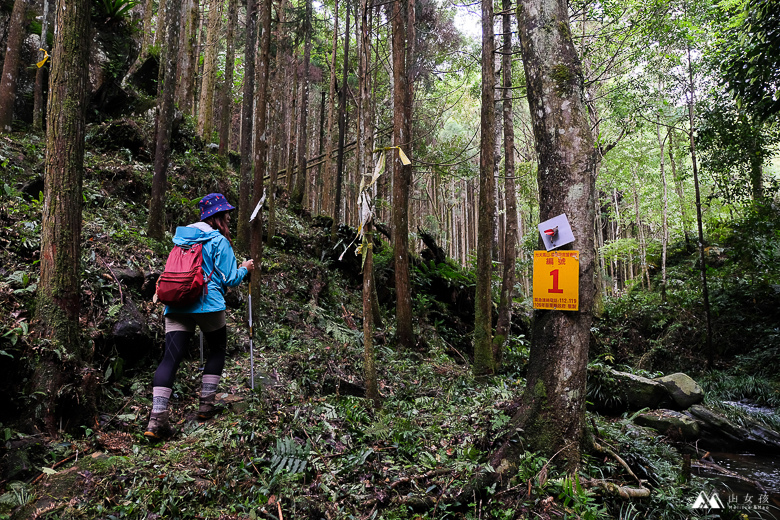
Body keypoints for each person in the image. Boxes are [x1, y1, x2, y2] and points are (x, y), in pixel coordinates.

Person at [145, 193, 254, 440]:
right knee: (217, 349)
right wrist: (245, 269)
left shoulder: (181, 239)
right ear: (217, 217)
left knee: (170, 358)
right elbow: (230, 279)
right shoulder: (218, 241)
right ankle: (205, 407)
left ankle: (156, 419)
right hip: (208, 304)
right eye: (226, 213)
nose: (229, 216)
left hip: (176, 303)